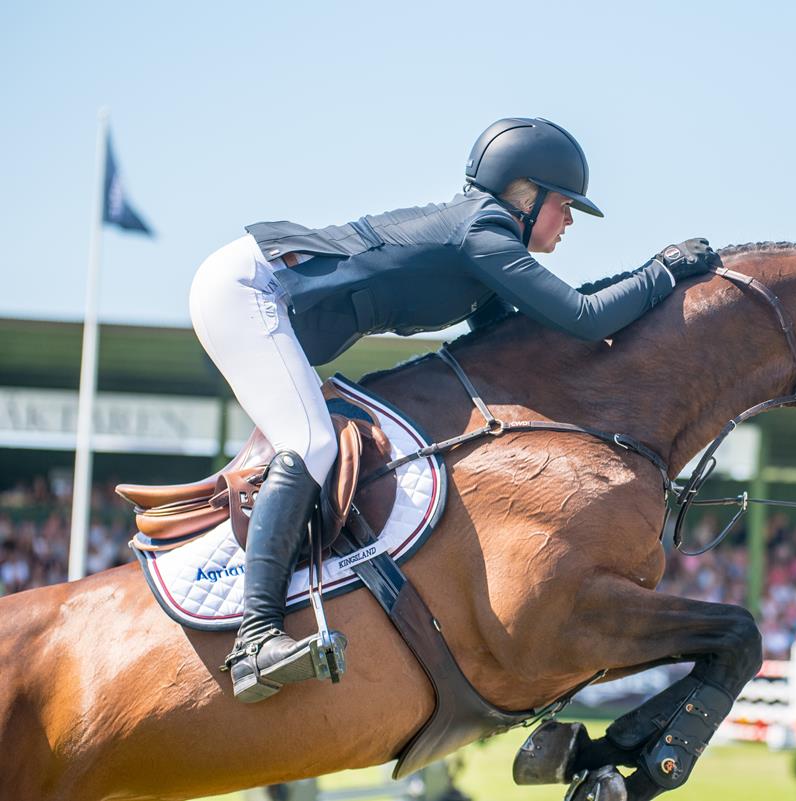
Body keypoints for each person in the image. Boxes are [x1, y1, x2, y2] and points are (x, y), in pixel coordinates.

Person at [189, 117, 721, 703]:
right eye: (564, 205)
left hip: (263, 286)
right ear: (526, 194)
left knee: (314, 440)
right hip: (251, 288)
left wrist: (647, 283)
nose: (569, 220)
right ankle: (256, 640)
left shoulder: (486, 245)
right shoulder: (483, 230)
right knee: (312, 443)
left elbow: (554, 331)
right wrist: (663, 270)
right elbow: (585, 316)